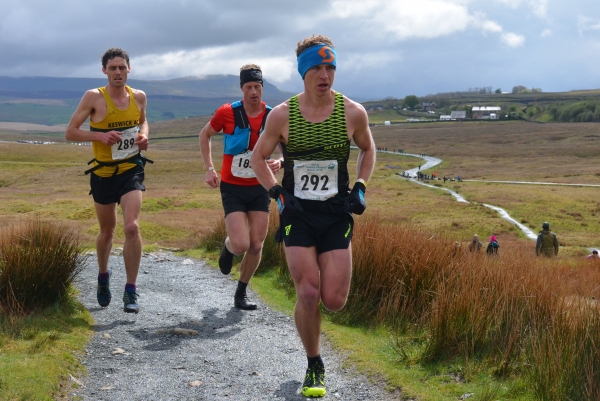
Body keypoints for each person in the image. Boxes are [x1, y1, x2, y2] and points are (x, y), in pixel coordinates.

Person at [250, 35, 376, 398]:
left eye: (330, 67)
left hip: (336, 213)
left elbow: (368, 149)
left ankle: (314, 326)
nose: (325, 75)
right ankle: (314, 363)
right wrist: (276, 194)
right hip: (299, 214)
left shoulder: (353, 112)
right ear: (304, 72)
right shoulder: (282, 115)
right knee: (308, 292)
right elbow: (259, 159)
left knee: (334, 299)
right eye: (317, 68)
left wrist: (361, 186)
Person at [65, 48, 150, 313]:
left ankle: (131, 290)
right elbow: (70, 132)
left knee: (132, 227)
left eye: (122, 68)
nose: (117, 72)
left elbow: (144, 122)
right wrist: (99, 136)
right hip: (102, 174)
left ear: (129, 69)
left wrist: (144, 136)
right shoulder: (94, 97)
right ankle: (103, 276)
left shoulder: (139, 96)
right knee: (107, 232)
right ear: (104, 71)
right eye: (112, 68)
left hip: (131, 170)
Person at [199, 64, 282, 310]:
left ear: (262, 87)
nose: (254, 92)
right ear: (242, 89)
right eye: (249, 87)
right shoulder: (227, 113)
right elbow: (205, 135)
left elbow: (289, 148)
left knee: (257, 244)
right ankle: (227, 248)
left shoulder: (274, 116)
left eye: (257, 87)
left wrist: (281, 161)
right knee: (241, 244)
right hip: (232, 187)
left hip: (260, 187)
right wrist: (209, 168)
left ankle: (241, 293)